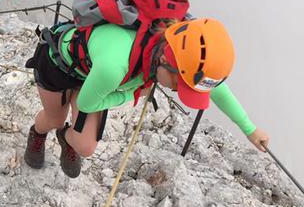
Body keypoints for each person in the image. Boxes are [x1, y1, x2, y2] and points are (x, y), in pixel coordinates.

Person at [24, 17, 270, 178]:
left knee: (85, 146)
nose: (176, 91)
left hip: (92, 73)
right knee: (55, 119)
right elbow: (88, 103)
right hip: (58, 63)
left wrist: (249, 129)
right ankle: (39, 132)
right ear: (165, 61)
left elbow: (211, 86)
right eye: (177, 85)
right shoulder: (116, 65)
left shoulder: (176, 45)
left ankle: (67, 139)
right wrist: (130, 93)